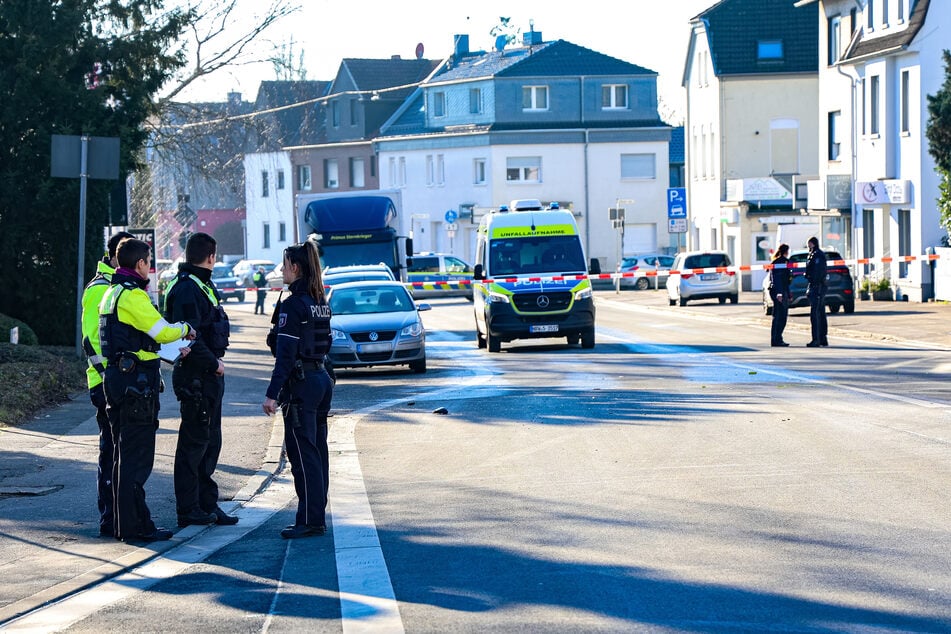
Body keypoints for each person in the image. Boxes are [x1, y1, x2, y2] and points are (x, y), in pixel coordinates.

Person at [99, 238, 194, 542]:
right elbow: (161, 331)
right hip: (135, 385)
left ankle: (124, 523)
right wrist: (185, 330)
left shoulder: (110, 293)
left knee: (121, 456)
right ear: (140, 264)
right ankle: (135, 527)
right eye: (149, 261)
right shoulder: (132, 296)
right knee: (137, 459)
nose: (150, 267)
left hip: (117, 379)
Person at [163, 233, 238, 528]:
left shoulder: (200, 285)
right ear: (211, 257)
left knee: (209, 442)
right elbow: (189, 336)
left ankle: (207, 503)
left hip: (207, 375)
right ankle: (189, 508)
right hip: (197, 376)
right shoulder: (186, 289)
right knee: (194, 444)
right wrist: (214, 364)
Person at [262, 240, 334, 539]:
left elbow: (285, 354)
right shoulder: (319, 300)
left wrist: (272, 392)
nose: (281, 270)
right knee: (318, 451)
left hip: (302, 385)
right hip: (320, 379)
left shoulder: (294, 304)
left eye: (284, 264)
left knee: (303, 456)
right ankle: (315, 514)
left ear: (295, 267)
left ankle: (309, 520)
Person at [80, 230, 133, 537]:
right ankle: (110, 518)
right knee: (111, 451)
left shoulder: (115, 286)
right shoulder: (100, 289)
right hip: (105, 383)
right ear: (116, 257)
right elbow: (92, 340)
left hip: (115, 381)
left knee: (118, 451)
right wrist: (107, 378)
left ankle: (117, 517)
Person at [805, 236, 829, 347]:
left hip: (817, 286)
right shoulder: (813, 254)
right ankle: (821, 338)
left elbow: (818, 272)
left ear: (812, 243)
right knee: (819, 312)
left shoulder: (817, 255)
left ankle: (817, 339)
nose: (808, 246)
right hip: (816, 285)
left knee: (816, 314)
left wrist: (814, 281)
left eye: (809, 244)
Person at [768, 243, 792, 347]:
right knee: (780, 316)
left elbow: (787, 280)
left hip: (780, 291)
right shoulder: (780, 262)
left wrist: (788, 292)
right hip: (778, 291)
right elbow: (776, 278)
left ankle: (777, 338)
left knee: (779, 315)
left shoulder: (780, 261)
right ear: (786, 251)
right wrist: (780, 293)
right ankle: (776, 339)